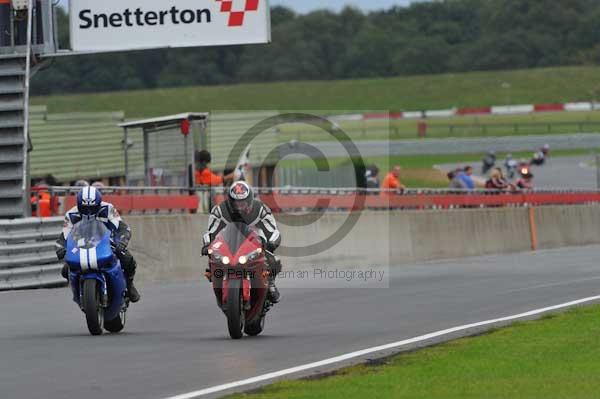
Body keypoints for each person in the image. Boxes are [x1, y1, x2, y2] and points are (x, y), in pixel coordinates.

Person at [55, 186, 140, 303]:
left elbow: (122, 227)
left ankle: (130, 285)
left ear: (99, 204)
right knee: (65, 270)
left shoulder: (108, 208)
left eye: (93, 208)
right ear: (79, 205)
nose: (89, 211)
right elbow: (63, 236)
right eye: (85, 208)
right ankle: (78, 292)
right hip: (82, 245)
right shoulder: (71, 214)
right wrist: (60, 248)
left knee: (128, 259)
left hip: (106, 242)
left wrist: (122, 240)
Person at [202, 181, 282, 303]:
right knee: (212, 256)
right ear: (230, 201)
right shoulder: (219, 211)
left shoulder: (261, 210)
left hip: (254, 242)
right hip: (229, 242)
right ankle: (216, 278)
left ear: (250, 200)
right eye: (235, 203)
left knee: (273, 259)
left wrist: (271, 244)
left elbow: (273, 231)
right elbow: (210, 232)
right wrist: (207, 244)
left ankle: (270, 283)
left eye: (242, 203)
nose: (239, 207)